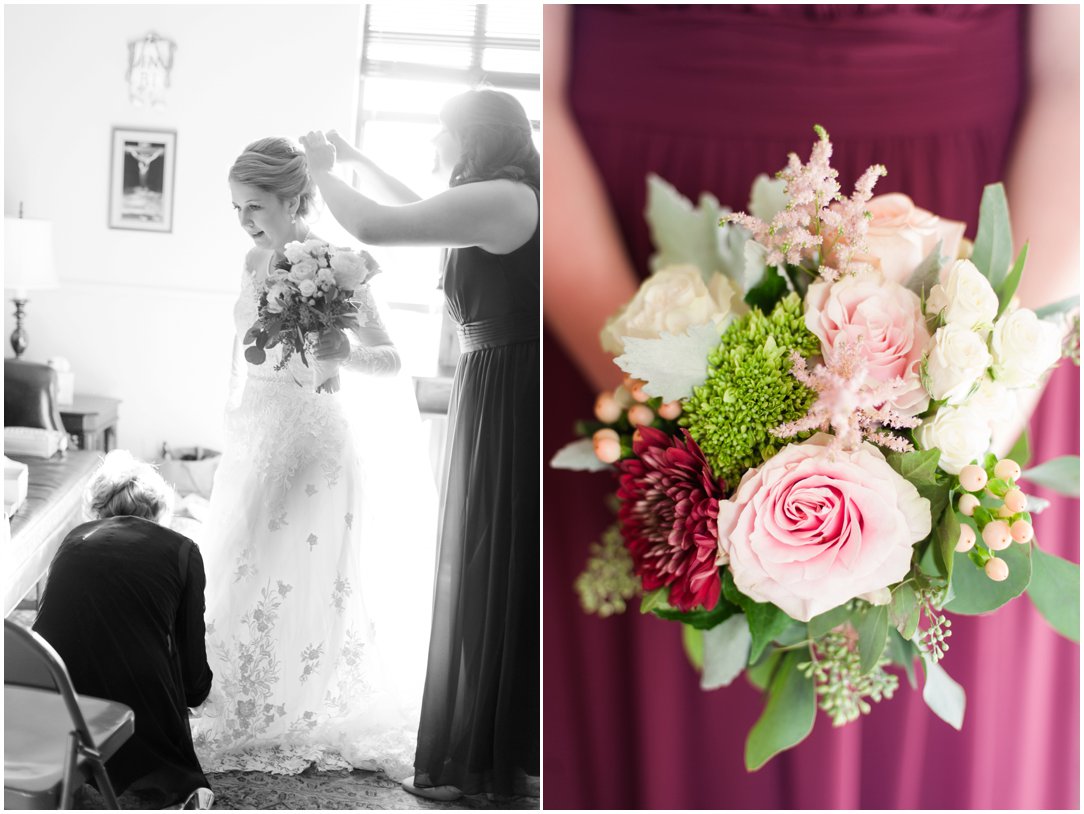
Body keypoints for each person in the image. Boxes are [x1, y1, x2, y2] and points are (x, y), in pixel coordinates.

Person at [542, 4, 1078, 810]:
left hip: (976, 268)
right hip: (610, 258)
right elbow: (535, 87)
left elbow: (1073, 77)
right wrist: (672, 421)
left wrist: (979, 413)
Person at [300, 87, 540, 800]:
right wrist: (355, 158)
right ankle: (493, 754)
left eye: (444, 132)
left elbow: (378, 224)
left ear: (473, 138)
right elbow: (420, 205)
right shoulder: (502, 196)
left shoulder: (507, 199)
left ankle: (486, 764)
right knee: (490, 558)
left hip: (512, 387)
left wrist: (321, 172)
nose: (435, 145)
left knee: (494, 560)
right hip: (497, 379)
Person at [188, 136, 434, 779]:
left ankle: (297, 705)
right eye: (237, 208)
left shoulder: (339, 262)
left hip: (311, 442)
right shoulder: (251, 261)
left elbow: (391, 358)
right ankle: (235, 695)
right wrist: (232, 418)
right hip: (255, 435)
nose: (244, 220)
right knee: (237, 566)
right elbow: (243, 352)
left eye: (254, 206)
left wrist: (342, 352)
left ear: (293, 200)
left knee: (294, 573)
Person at [33, 450, 214, 810]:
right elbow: (190, 652)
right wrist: (197, 691)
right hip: (137, 704)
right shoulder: (182, 550)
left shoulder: (74, 540)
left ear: (99, 508)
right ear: (158, 509)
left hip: (53, 696)